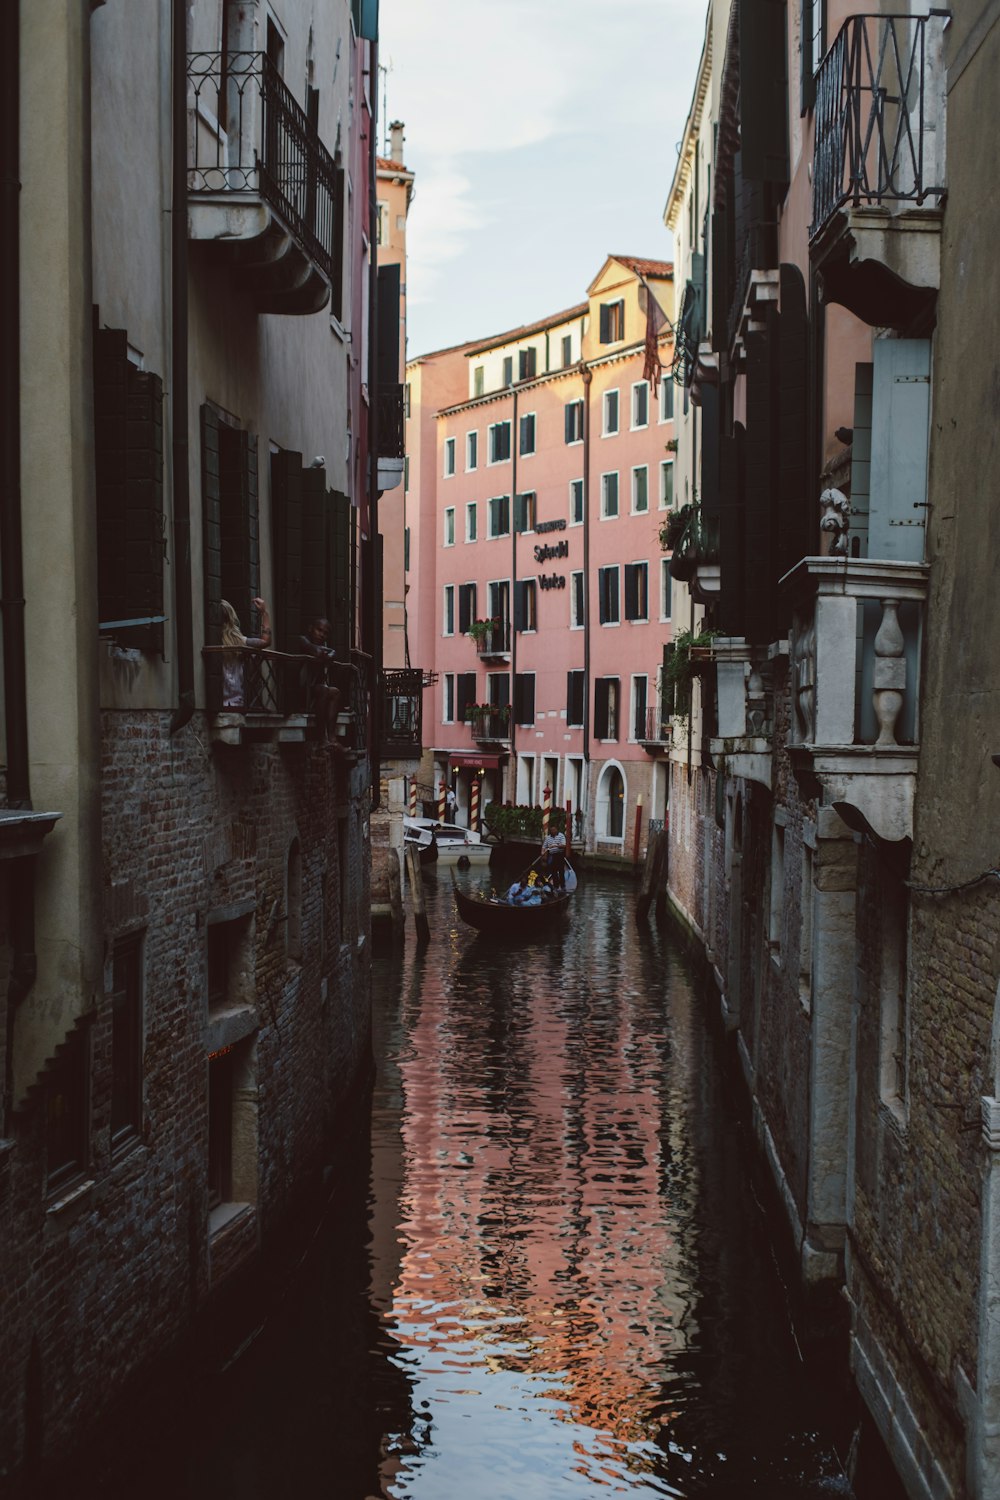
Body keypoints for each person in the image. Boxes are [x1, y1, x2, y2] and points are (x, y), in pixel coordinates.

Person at [298, 617, 345, 753]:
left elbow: (332, 653)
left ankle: (332, 738)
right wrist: (325, 654)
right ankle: (321, 739)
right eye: (319, 630)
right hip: (300, 688)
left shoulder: (323, 647)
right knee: (324, 690)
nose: (321, 634)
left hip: (313, 688)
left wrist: (327, 654)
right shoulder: (303, 640)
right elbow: (315, 650)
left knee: (335, 692)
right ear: (311, 628)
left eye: (325, 632)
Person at [221, 597, 270, 709]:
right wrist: (264, 613)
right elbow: (266, 641)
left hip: (220, 702)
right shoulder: (238, 641)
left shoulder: (237, 641)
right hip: (235, 700)